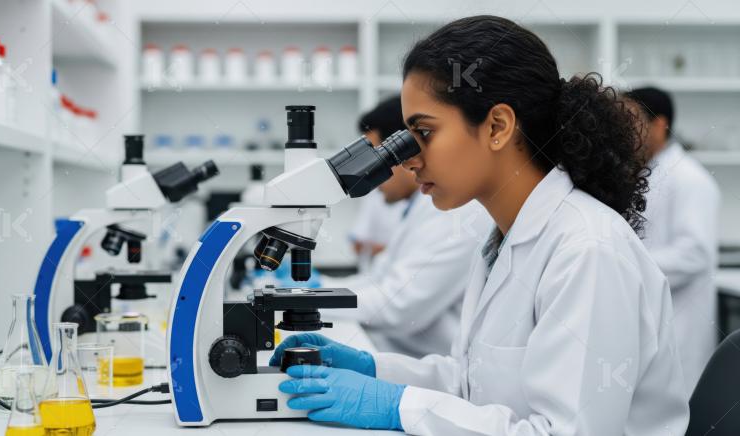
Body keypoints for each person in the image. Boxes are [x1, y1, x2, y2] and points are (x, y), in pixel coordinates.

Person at [269, 16, 689, 435]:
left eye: (424, 132)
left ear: (497, 127)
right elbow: (472, 383)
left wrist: (399, 406)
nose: (408, 159)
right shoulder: (503, 238)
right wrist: (373, 368)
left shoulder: (588, 250)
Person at [322, 96, 492, 357]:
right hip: (409, 359)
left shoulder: (459, 212)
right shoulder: (418, 207)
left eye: (377, 157)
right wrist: (312, 290)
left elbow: (398, 305)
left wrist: (309, 300)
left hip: (431, 366)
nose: (370, 173)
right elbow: (377, 281)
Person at [626, 87, 721, 395]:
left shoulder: (691, 179)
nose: (627, 130)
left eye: (633, 120)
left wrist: (628, 264)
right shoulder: (647, 173)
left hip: (681, 325)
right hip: (652, 321)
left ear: (659, 124)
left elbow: (694, 254)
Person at [348, 97, 411, 271]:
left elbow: (400, 293)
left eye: (376, 158)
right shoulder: (411, 206)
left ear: (404, 147)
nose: (369, 171)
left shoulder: (440, 211)